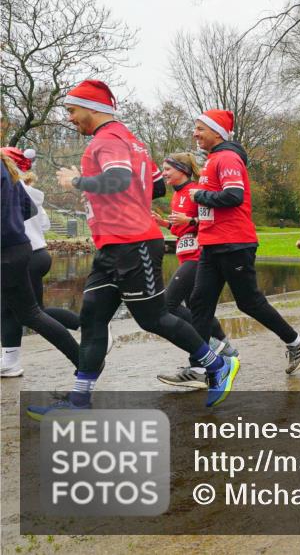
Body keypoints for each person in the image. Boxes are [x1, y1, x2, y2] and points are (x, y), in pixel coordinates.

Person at [32, 80, 237, 415]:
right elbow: (156, 185)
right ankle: (79, 401)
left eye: (72, 110)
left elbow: (120, 180)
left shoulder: (107, 139)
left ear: (92, 109)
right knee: (93, 317)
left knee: (153, 317)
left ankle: (216, 365)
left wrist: (78, 182)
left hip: (133, 242)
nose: (69, 118)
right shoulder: (133, 141)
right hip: (113, 244)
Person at [183, 108, 300, 375]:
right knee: (199, 302)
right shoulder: (211, 159)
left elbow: (234, 196)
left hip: (234, 242)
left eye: (200, 128)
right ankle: (199, 367)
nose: (195, 133)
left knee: (248, 301)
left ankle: (295, 341)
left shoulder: (228, 157)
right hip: (212, 242)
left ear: (217, 132)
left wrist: (199, 197)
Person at [154, 152, 238, 390]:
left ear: (181, 169)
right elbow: (182, 232)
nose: (164, 174)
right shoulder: (176, 196)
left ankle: (211, 348)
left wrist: (189, 221)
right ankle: (223, 346)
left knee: (167, 305)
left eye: (168, 169)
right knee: (197, 308)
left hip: (198, 256)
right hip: (185, 256)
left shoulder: (195, 191)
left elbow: (210, 222)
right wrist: (166, 224)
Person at [1, 151, 80, 378]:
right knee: (25, 312)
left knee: (31, 314)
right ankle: (84, 360)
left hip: (6, 252)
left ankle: (85, 362)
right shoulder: (6, 167)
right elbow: (27, 209)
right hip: (18, 248)